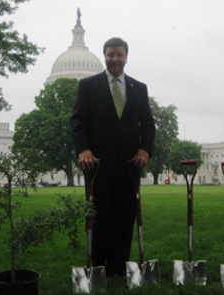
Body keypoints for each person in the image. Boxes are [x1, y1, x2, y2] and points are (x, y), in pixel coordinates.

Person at [71, 37, 156, 277]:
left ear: (126, 57)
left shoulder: (138, 88)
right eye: (110, 55)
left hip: (129, 164)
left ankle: (119, 268)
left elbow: (148, 125)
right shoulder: (88, 86)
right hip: (97, 164)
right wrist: (83, 149)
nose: (115, 59)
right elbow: (77, 121)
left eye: (119, 55)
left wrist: (145, 149)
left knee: (125, 217)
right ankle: (98, 267)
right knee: (99, 216)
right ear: (105, 56)